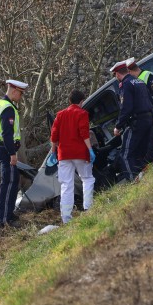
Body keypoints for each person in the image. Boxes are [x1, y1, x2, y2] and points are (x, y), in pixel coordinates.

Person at [50, 89, 96, 224]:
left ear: (69, 101)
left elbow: (54, 136)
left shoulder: (60, 115)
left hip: (63, 155)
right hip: (80, 153)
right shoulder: (82, 113)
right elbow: (84, 134)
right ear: (81, 102)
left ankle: (66, 218)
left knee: (66, 185)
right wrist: (90, 149)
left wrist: (53, 152)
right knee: (87, 179)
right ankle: (88, 208)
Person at [0, 79, 28, 228]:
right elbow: (6, 134)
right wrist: (12, 154)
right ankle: (4, 219)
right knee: (9, 183)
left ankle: (8, 214)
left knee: (11, 180)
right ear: (13, 91)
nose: (21, 97)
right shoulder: (8, 108)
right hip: (6, 149)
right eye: (20, 94)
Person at [120, 58, 153, 163]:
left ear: (130, 71)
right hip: (150, 115)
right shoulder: (137, 80)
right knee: (150, 141)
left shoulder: (149, 76)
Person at [110, 59, 153, 182]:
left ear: (118, 74)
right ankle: (144, 176)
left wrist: (118, 126)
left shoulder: (125, 84)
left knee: (125, 154)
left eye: (115, 76)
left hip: (136, 122)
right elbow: (150, 100)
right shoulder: (139, 81)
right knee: (140, 152)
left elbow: (126, 107)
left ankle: (134, 181)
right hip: (148, 119)